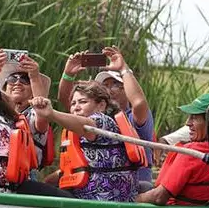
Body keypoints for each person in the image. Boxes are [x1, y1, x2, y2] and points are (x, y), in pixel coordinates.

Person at [58, 46, 155, 187]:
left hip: (135, 187)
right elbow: (65, 100)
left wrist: (123, 70)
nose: (108, 89)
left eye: (115, 84)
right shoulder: (92, 116)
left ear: (126, 88)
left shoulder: (135, 117)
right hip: (94, 184)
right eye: (105, 85)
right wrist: (68, 74)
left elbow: (139, 102)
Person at [31, 81, 138, 203]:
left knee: (26, 186)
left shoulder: (103, 121)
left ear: (101, 106)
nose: (76, 107)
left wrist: (51, 114)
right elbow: (76, 168)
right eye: (73, 103)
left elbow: (86, 126)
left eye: (83, 102)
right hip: (85, 195)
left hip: (103, 198)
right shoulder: (77, 131)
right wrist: (47, 181)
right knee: (43, 185)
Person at [0, 49, 52, 176]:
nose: (17, 83)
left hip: (26, 177)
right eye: (12, 79)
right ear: (5, 88)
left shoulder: (35, 116)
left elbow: (42, 108)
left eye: (25, 80)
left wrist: (34, 76)